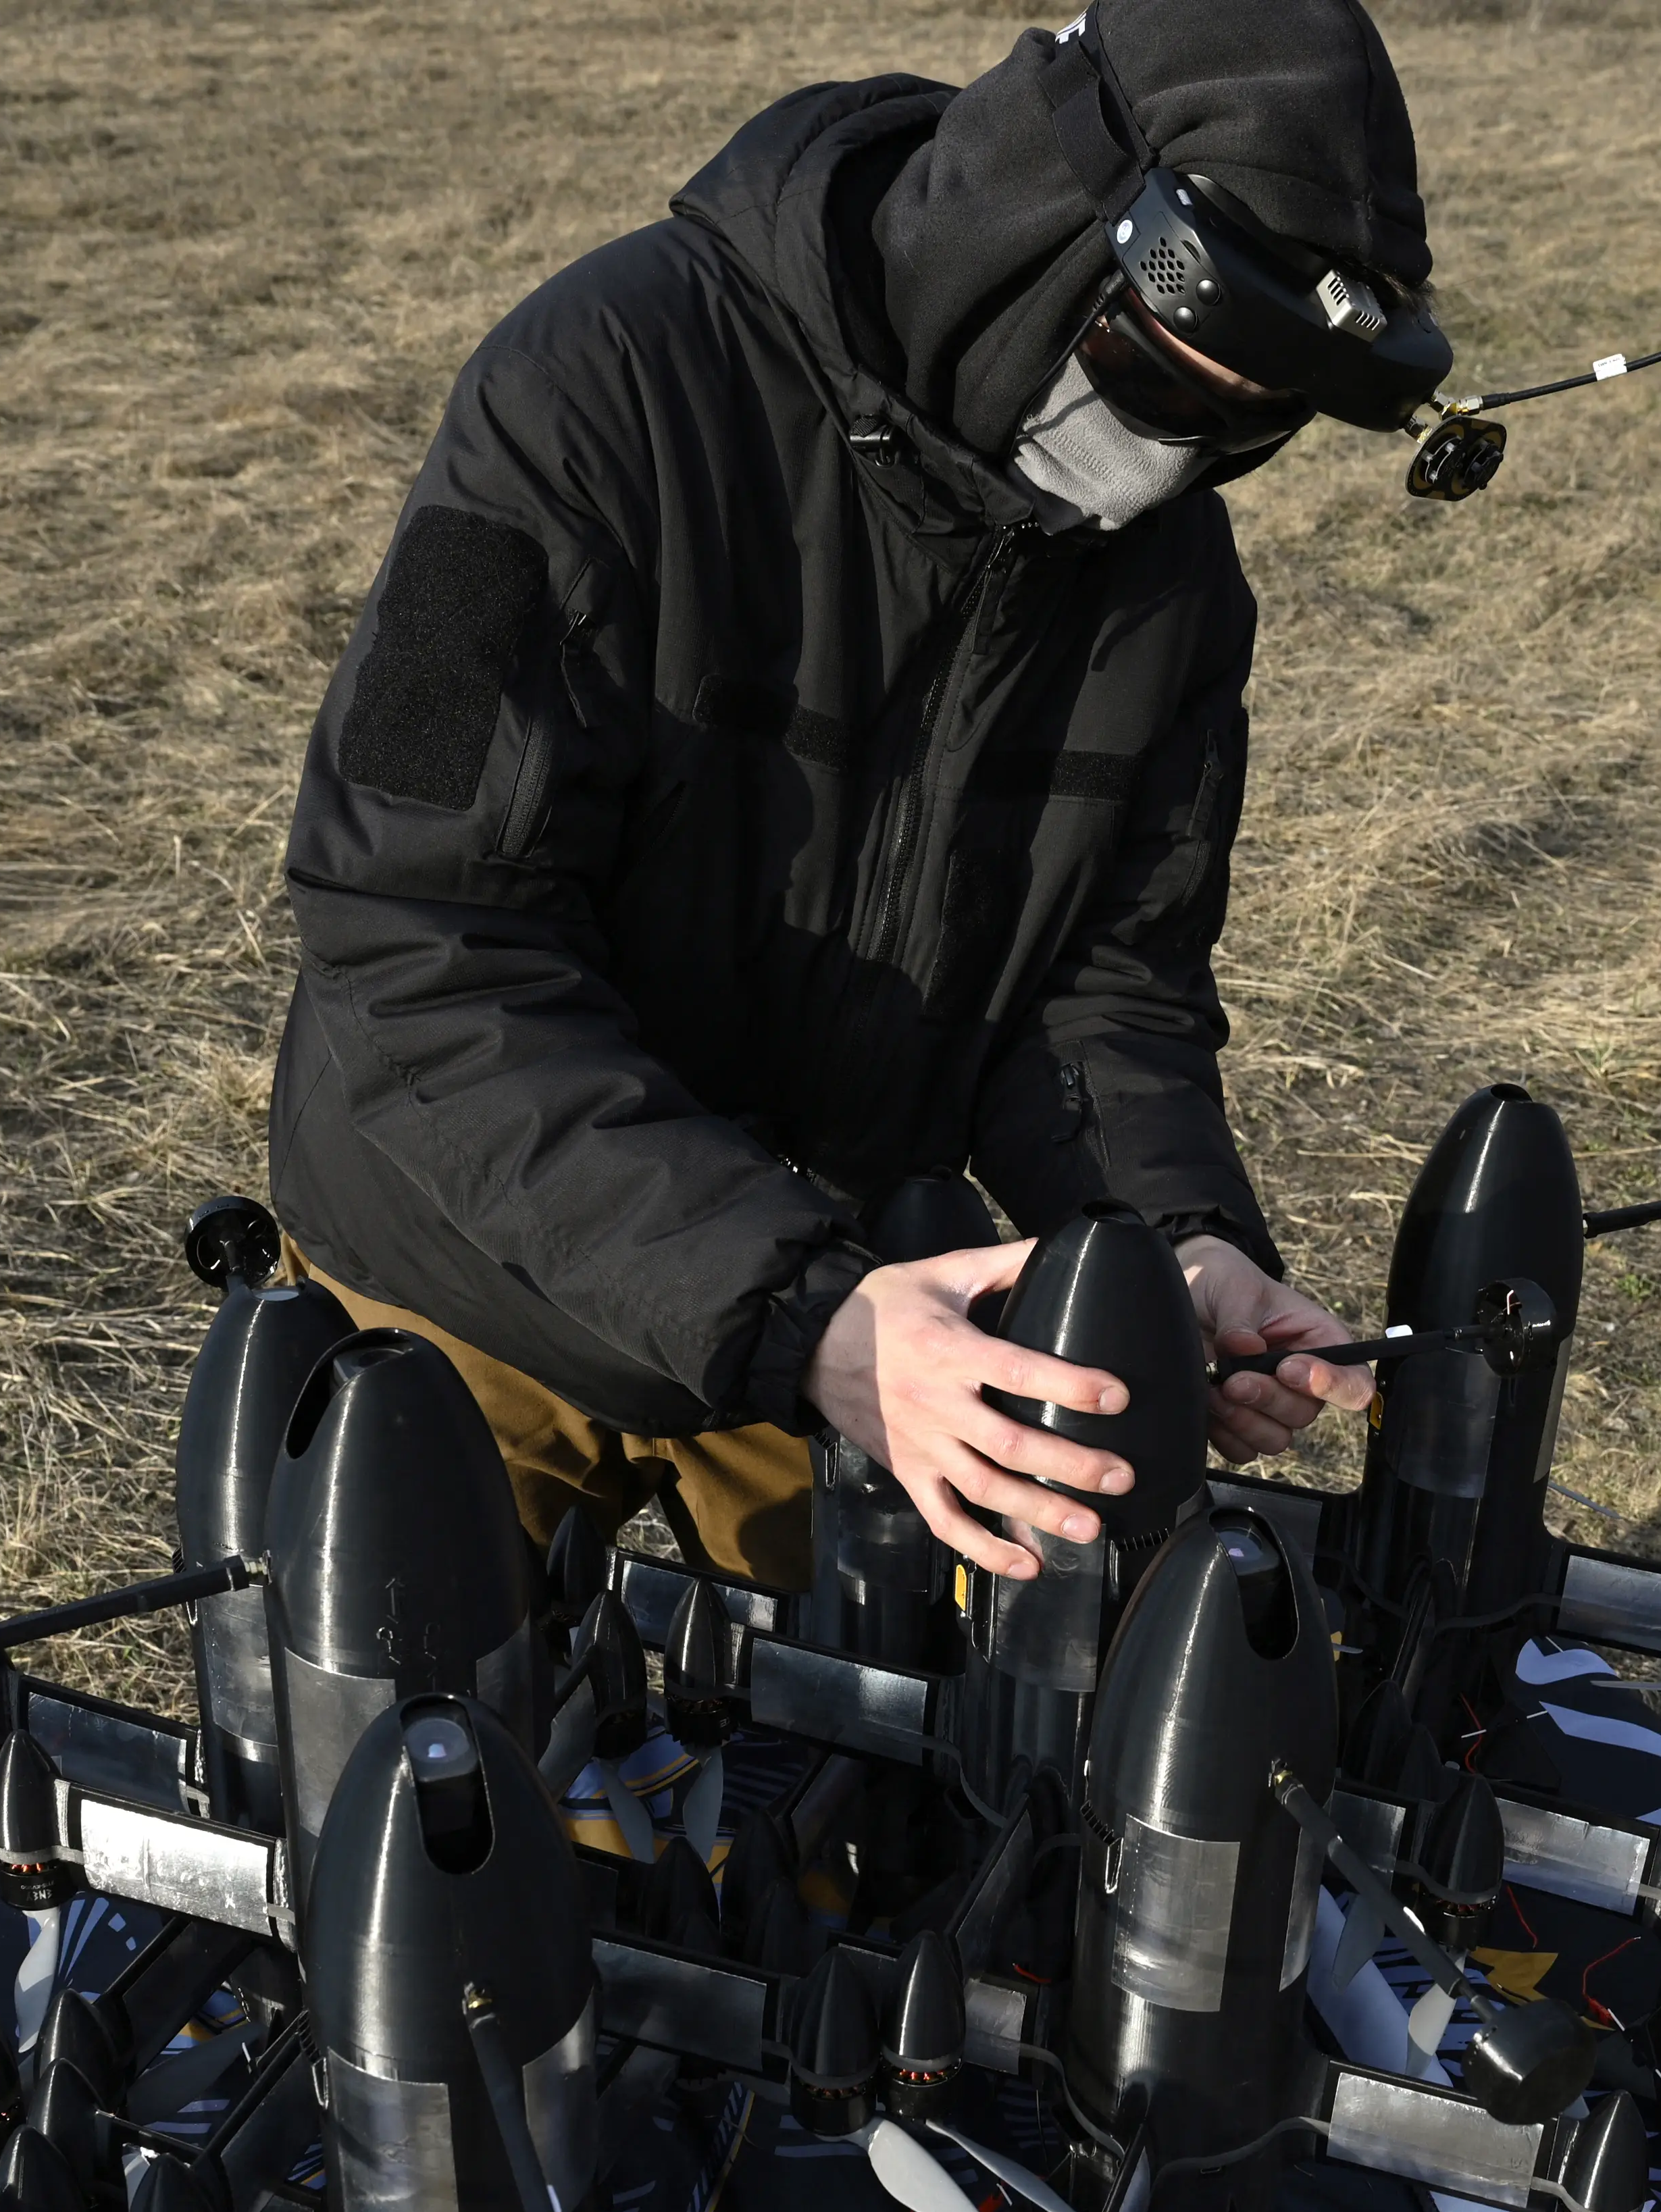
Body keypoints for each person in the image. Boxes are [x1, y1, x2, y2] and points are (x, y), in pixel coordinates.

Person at [263, 0, 1455, 1591]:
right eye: (1159, 387)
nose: (1171, 467)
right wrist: (802, 1312)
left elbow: (1110, 981)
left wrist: (1175, 1240)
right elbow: (405, 934)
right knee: (440, 1800)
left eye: (1247, 430)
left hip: (868, 1298)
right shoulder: (582, 388)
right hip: (466, 1272)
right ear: (1037, 238)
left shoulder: (1171, 588)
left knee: (900, 1810)